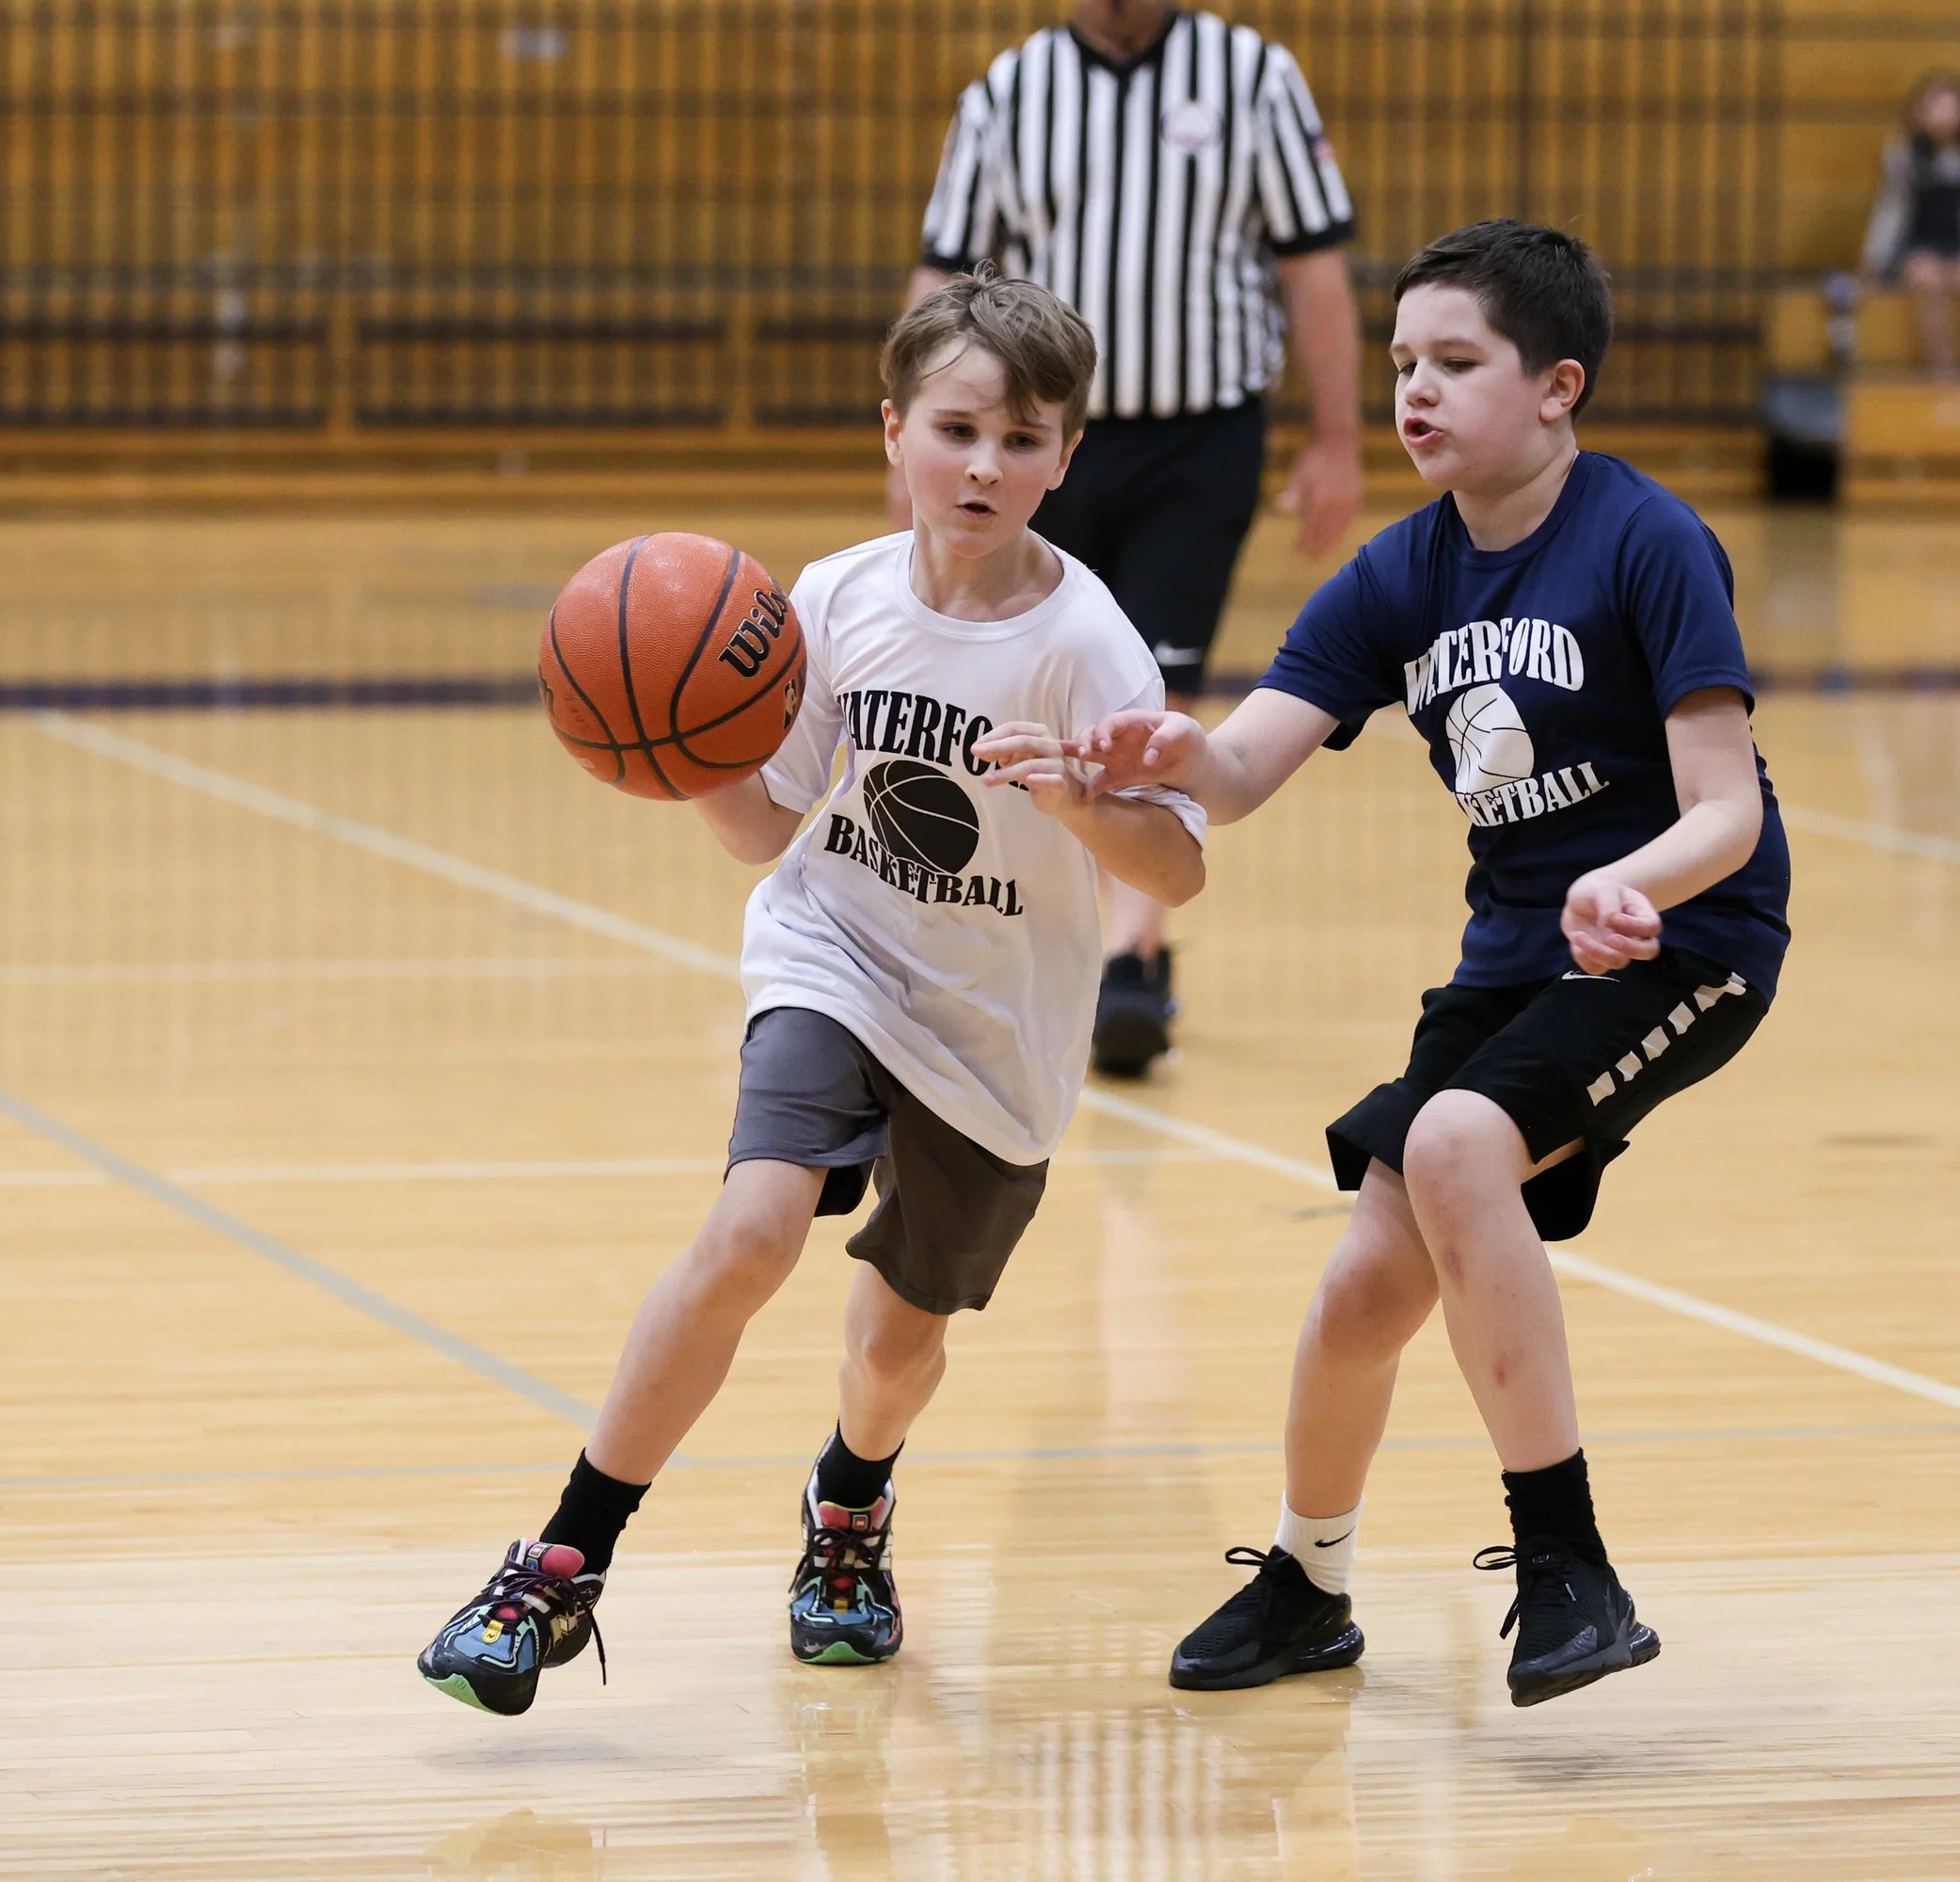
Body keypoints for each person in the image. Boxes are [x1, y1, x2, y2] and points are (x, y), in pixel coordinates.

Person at [415, 272, 1206, 1715]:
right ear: (894, 430)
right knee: (750, 1228)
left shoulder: (1083, 642)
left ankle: (850, 1504)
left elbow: (1182, 867)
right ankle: (560, 1563)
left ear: (1067, 456)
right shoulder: (827, 604)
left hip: (997, 1027)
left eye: (1025, 439)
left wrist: (1091, 808)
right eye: (958, 429)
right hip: (833, 951)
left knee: (900, 1346)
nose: (986, 465)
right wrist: (671, 743)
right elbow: (770, 831)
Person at [1076, 221, 1792, 1708]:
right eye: (1401, 364)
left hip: (1684, 945)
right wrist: (1169, 753)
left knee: (1461, 1144)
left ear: (1556, 387)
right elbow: (1240, 768)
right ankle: (1309, 1583)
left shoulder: (1646, 541)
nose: (1413, 392)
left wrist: (1629, 881)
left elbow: (1728, 811)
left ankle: (1568, 1564)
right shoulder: (1401, 571)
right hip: (1516, 965)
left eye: (1454, 364)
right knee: (1358, 1296)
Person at [906, 0, 1364, 1076]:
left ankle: (1133, 954)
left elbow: (1312, 269)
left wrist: (1336, 436)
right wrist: (914, 457)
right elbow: (942, 278)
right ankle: (1029, 923)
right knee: (1033, 665)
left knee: (1153, 680)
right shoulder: (1010, 91)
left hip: (1201, 435)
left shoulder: (1253, 76)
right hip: (1036, 438)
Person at [1858, 71, 1960, 385]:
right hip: (1918, 245)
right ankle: (1943, 367)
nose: (1944, 117)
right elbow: (1890, 213)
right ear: (1920, 116)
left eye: (1951, 107)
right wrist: (1873, 260)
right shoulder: (1905, 159)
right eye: (1936, 108)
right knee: (1928, 278)